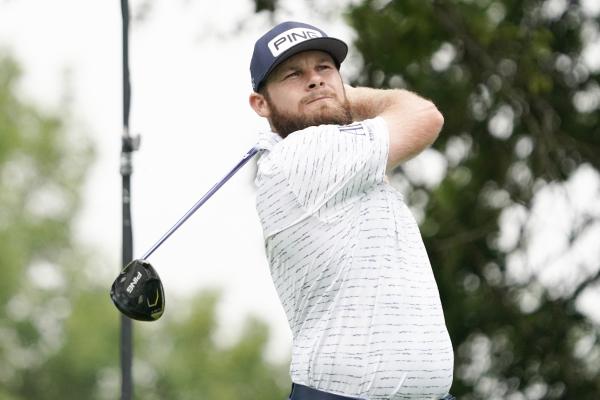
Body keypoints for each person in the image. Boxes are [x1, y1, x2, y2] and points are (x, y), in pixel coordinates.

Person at [249, 21, 455, 400]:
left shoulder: (347, 161)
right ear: (260, 104)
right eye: (294, 74)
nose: (314, 80)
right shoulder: (302, 153)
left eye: (324, 68)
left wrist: (334, 99)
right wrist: (351, 96)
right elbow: (425, 117)